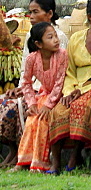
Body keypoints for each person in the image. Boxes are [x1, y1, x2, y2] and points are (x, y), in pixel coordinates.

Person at [0, 0, 68, 169]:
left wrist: (38, 98)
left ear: (49, 13)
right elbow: (26, 71)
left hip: (51, 92)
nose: (31, 17)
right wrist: (22, 89)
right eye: (30, 12)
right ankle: (16, 152)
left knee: (29, 111)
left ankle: (35, 158)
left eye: (35, 12)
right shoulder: (32, 38)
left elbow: (61, 77)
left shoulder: (59, 38)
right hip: (33, 90)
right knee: (6, 103)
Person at [49, 0, 91, 173]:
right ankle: (55, 162)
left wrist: (87, 89)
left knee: (82, 106)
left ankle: (74, 156)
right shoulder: (76, 39)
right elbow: (68, 70)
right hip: (76, 85)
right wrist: (70, 90)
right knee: (58, 110)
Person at [15, 23, 67, 172]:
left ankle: (41, 162)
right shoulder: (32, 58)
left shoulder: (62, 55)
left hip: (60, 95)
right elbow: (26, 82)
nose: (56, 40)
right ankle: (23, 161)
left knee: (43, 120)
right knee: (32, 119)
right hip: (43, 95)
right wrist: (31, 102)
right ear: (38, 44)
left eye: (56, 36)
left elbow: (60, 82)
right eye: (50, 37)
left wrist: (49, 105)